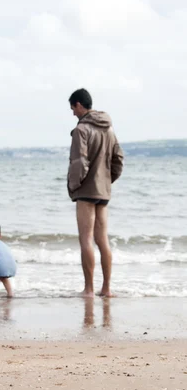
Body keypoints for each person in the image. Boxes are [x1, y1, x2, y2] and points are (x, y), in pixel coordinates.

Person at [67, 88, 124, 298]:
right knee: (103, 240)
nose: (72, 112)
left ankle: (89, 289)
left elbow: (79, 162)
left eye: (72, 107)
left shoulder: (81, 129)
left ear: (79, 104)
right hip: (103, 191)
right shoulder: (109, 128)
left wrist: (75, 185)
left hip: (86, 191)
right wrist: (108, 181)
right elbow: (118, 160)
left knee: (86, 239)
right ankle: (107, 289)